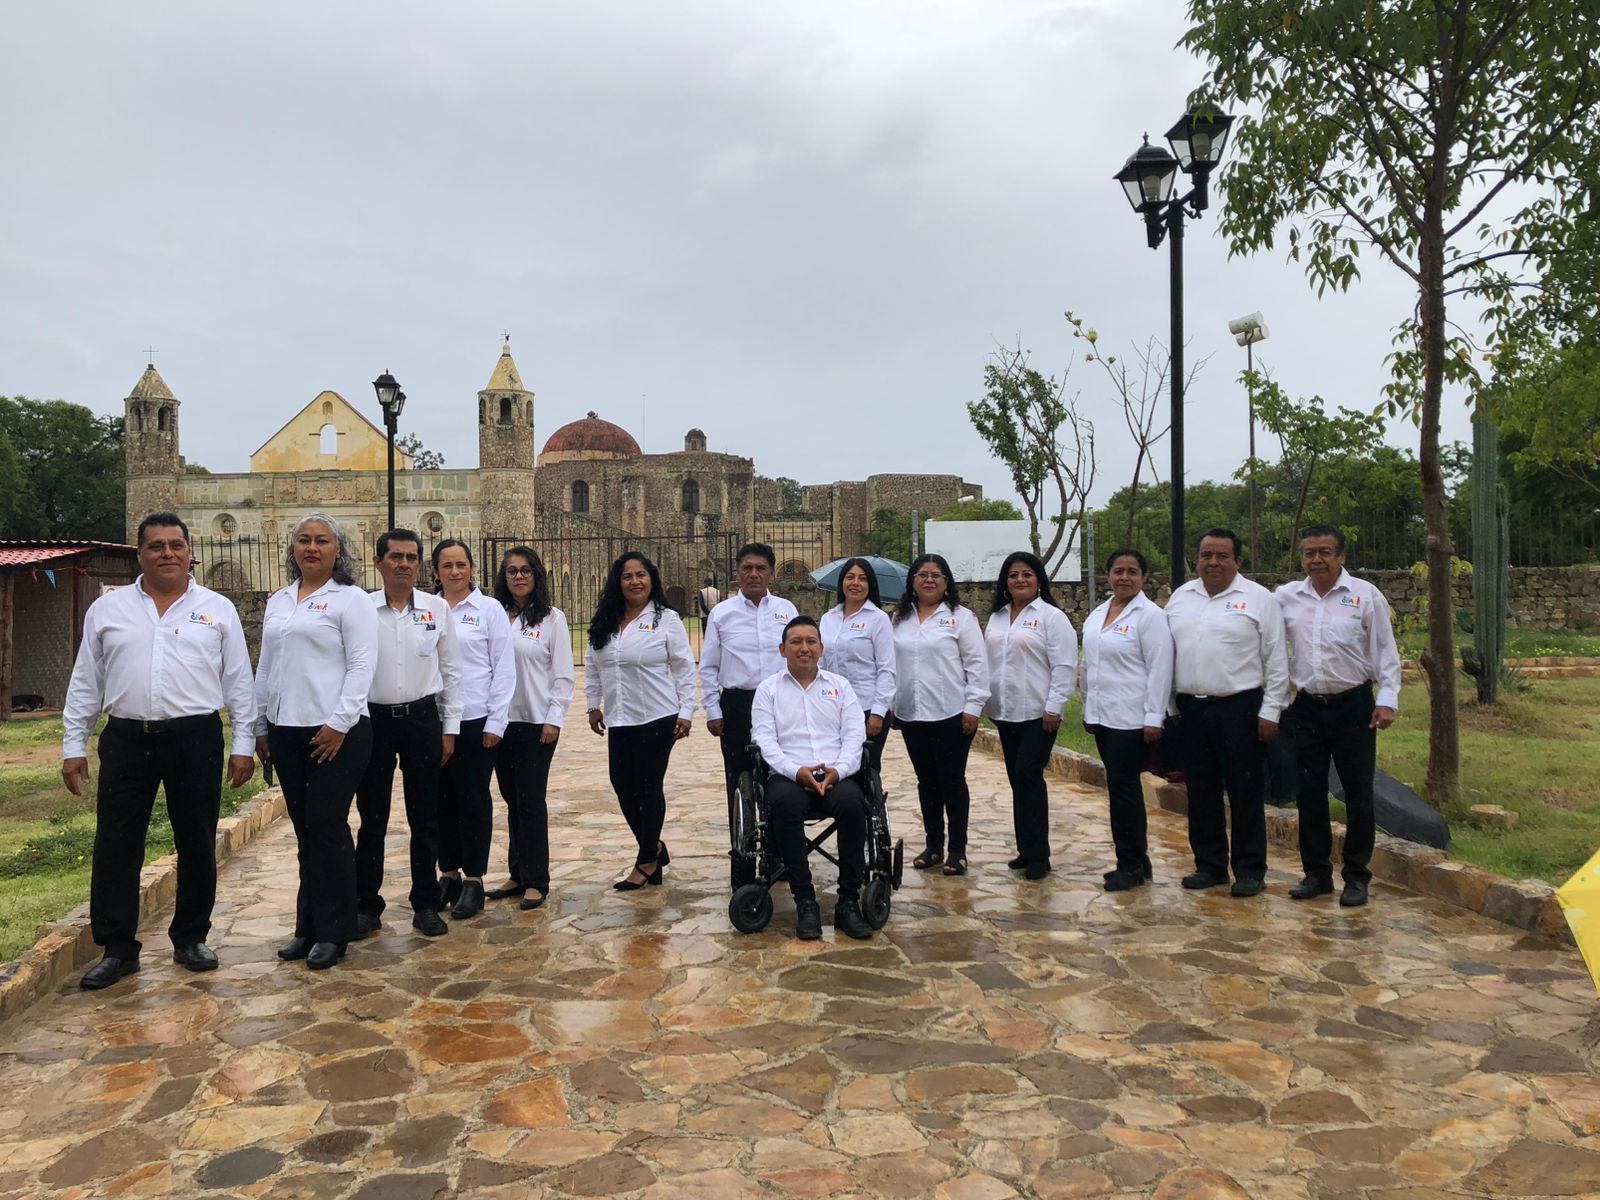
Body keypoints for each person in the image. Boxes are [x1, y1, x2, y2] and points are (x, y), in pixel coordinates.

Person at [62, 512, 256, 989]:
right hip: (127, 738)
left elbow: (239, 681)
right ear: (140, 554)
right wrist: (73, 743)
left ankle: (190, 937)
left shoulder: (217, 609)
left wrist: (244, 744)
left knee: (196, 839)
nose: (167, 553)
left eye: (176, 545)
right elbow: (87, 680)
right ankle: (117, 948)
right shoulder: (108, 610)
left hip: (196, 737)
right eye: (156, 546)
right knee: (116, 841)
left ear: (190, 553)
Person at [255, 513, 378, 969]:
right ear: (293, 549)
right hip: (286, 729)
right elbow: (266, 666)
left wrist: (340, 723)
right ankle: (306, 926)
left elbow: (362, 666)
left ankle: (335, 930)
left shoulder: (351, 600)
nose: (311, 548)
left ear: (338, 549)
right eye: (304, 540)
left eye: (321, 541)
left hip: (337, 732)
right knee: (306, 831)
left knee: (327, 826)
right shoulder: (279, 601)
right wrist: (260, 726)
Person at [1276, 524, 1402, 908]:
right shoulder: (1286, 597)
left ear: (1341, 556)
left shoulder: (1365, 596)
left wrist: (1388, 699)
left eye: (1325, 552)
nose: (1317, 560)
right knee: (1309, 793)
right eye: (1309, 553)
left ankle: (1356, 876)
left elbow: (1385, 651)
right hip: (1307, 707)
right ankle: (1316, 874)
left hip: (1354, 707)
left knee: (1358, 793)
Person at [1164, 528, 1290, 898]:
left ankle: (1249, 870)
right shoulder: (1181, 598)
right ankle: (1210, 865)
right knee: (1200, 790)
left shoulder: (1259, 599)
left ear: (1238, 560)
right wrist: (1168, 706)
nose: (1213, 562)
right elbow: (1165, 654)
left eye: (1222, 556)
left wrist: (1272, 710)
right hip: (1191, 709)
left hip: (1240, 708)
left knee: (1244, 790)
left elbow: (1277, 659)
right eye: (1206, 555)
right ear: (1196, 559)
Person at [353, 529, 462, 940]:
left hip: (422, 720)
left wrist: (450, 728)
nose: (404, 564)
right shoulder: (360, 609)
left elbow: (451, 671)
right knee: (373, 818)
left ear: (420, 565)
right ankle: (367, 904)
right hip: (374, 722)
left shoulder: (436, 609)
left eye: (411, 557)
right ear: (378, 562)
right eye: (395, 556)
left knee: (425, 817)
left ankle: (426, 903)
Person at [752, 616, 876, 941]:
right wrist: (797, 772)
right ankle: (805, 902)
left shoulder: (840, 686)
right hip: (789, 774)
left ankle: (848, 901)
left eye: (811, 642)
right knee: (783, 805)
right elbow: (764, 741)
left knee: (853, 805)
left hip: (836, 773)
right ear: (782, 649)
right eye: (796, 642)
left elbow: (855, 736)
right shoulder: (768, 690)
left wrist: (839, 770)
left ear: (821, 648)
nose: (804, 648)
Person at [585, 551, 696, 889]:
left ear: (651, 579)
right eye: (627, 576)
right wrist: (592, 705)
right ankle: (654, 849)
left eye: (640, 575)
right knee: (622, 785)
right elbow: (593, 664)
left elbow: (683, 667)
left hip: (656, 715)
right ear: (617, 582)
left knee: (648, 787)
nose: (635, 581)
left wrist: (687, 711)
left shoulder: (666, 620)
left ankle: (646, 859)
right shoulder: (606, 620)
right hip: (619, 716)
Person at [488, 548, 575, 911]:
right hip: (499, 722)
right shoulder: (495, 616)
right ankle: (518, 872)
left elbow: (563, 673)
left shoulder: (552, 619)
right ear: (503, 577)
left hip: (536, 722)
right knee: (512, 800)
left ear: (536, 575)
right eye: (512, 571)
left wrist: (554, 718)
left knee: (531, 801)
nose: (519, 577)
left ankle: (537, 879)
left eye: (525, 570)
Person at [1081, 548, 1173, 892]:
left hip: (1132, 719)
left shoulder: (1150, 616)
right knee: (1121, 788)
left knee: (1124, 791)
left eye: (1132, 571)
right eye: (1118, 571)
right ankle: (1139, 860)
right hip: (1103, 717)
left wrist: (1154, 716)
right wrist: (1088, 709)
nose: (1124, 577)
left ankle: (1130, 864)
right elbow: (1089, 666)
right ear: (1108, 575)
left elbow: (1160, 668)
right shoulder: (1098, 614)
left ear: (1143, 577)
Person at [432, 538, 515, 920]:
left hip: (475, 717)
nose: (455, 572)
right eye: (447, 565)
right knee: (439, 800)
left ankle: (474, 879)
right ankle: (447, 873)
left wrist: (496, 721)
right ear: (436, 572)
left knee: (472, 799)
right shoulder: (426, 609)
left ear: (471, 569)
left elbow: (503, 668)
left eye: (461, 564)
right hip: (433, 719)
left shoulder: (488, 609)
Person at [892, 552, 989, 876]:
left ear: (947, 582)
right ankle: (933, 845)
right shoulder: (899, 619)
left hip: (952, 713)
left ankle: (957, 851)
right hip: (912, 714)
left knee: (952, 780)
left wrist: (974, 707)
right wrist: (893, 706)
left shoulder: (961, 618)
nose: (929, 580)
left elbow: (977, 666)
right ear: (912, 581)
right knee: (926, 782)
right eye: (923, 574)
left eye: (936, 575)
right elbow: (892, 666)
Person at [983, 550, 1077, 880]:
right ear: (1005, 582)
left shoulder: (1052, 617)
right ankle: (1026, 849)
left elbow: (1064, 665)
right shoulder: (997, 617)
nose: (1020, 580)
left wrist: (1055, 706)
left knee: (1028, 775)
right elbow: (989, 662)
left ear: (1039, 580)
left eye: (1027, 574)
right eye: (1013, 575)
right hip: (1005, 712)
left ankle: (1039, 857)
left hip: (1039, 713)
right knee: (1017, 780)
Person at [701, 543, 797, 819]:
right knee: (739, 772)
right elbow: (709, 666)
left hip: (781, 700)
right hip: (738, 703)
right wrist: (713, 710)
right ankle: (741, 835)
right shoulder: (721, 614)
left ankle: (779, 832)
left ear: (771, 574)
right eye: (747, 568)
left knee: (781, 771)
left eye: (761, 568)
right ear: (737, 573)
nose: (754, 574)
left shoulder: (786, 610)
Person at [818, 557, 896, 767]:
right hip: (832, 707)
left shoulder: (878, 619)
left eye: (862, 578)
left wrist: (878, 712)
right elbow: (820, 665)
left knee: (865, 769)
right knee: (834, 767)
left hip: (866, 707)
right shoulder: (828, 619)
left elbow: (887, 669)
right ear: (842, 582)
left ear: (870, 585)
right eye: (850, 577)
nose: (855, 583)